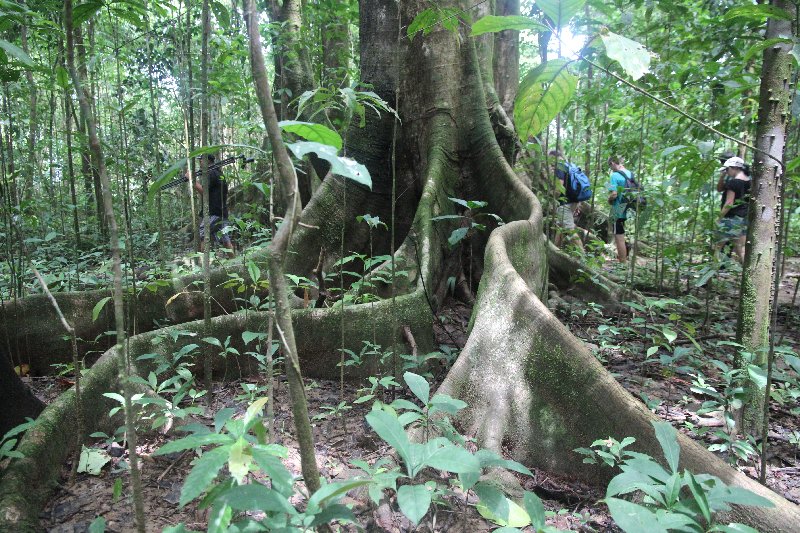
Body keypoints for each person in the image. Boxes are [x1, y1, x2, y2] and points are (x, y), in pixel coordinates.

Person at [188, 154, 234, 254]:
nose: (199, 162)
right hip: (222, 211)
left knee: (202, 234)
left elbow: (205, 192)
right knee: (225, 238)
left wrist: (192, 180)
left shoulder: (211, 173)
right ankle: (233, 261)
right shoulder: (219, 173)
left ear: (207, 161)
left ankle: (203, 264)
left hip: (213, 212)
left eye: (201, 160)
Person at [715, 156, 751, 263]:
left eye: (727, 169)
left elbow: (729, 203)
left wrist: (719, 218)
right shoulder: (750, 182)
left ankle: (710, 275)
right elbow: (719, 189)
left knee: (717, 247)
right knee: (742, 250)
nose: (727, 172)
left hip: (729, 219)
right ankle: (747, 276)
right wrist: (723, 175)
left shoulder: (733, 183)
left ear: (734, 168)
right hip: (743, 219)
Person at [550, 149, 585, 252]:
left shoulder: (560, 166)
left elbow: (559, 186)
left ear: (554, 157)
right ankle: (556, 251)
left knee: (569, 228)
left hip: (565, 202)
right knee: (560, 226)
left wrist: (552, 198)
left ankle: (583, 255)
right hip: (573, 201)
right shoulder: (570, 165)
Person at [607, 155, 631, 263]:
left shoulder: (614, 176)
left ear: (612, 163)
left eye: (610, 166)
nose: (611, 168)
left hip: (618, 210)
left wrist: (609, 200)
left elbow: (614, 194)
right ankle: (624, 260)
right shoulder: (630, 173)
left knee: (619, 238)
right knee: (623, 235)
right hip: (629, 209)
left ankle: (622, 263)